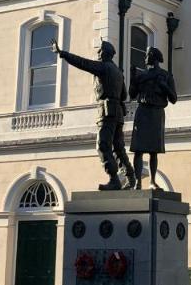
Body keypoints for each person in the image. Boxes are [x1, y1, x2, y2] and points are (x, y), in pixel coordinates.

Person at [52, 38, 134, 190]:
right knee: (117, 146)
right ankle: (130, 175)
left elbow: (83, 63)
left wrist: (63, 53)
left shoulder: (104, 67)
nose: (98, 53)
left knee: (102, 145)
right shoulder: (118, 72)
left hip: (107, 110)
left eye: (99, 51)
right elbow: (124, 95)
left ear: (105, 53)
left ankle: (114, 179)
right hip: (118, 112)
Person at [129, 47, 177, 189]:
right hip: (142, 111)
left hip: (156, 112)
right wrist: (132, 77)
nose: (144, 58)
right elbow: (132, 94)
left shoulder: (166, 76)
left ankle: (152, 181)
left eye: (147, 55)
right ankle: (138, 181)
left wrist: (164, 86)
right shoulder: (141, 76)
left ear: (153, 57)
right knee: (138, 149)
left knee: (153, 151)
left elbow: (173, 98)